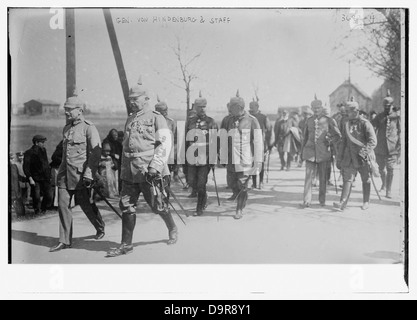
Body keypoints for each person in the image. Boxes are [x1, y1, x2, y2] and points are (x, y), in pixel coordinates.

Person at [106, 78, 176, 258]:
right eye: (131, 99)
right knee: (126, 205)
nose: (132, 102)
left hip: (148, 171)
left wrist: (155, 167)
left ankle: (172, 227)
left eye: (136, 99)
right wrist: (122, 172)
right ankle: (125, 244)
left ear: (146, 99)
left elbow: (165, 144)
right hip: (130, 171)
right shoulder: (130, 119)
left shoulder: (156, 117)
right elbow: (126, 147)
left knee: (157, 205)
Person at [49, 95, 106, 253]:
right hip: (64, 175)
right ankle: (65, 240)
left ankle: (100, 227)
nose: (66, 113)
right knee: (63, 206)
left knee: (86, 205)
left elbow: (95, 154)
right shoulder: (66, 128)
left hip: (81, 176)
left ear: (80, 110)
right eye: (65, 110)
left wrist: (89, 174)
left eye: (69, 110)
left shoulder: (89, 128)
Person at [222, 91, 263, 219]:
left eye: (231, 107)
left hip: (244, 159)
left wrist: (258, 160)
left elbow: (258, 141)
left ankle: (239, 208)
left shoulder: (252, 121)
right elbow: (222, 137)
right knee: (231, 183)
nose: (229, 109)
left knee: (243, 185)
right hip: (230, 159)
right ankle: (236, 194)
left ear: (239, 108)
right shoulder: (227, 120)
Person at [334, 99, 378, 211]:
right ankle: (342, 202)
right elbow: (343, 142)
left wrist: (363, 153)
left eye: (349, 111)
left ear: (356, 111)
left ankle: (366, 201)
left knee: (365, 179)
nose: (347, 113)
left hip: (362, 157)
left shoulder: (365, 123)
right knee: (347, 179)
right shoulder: (346, 124)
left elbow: (372, 141)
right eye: (346, 111)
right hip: (349, 157)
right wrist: (339, 158)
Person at [300, 96, 341, 208]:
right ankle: (306, 201)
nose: (316, 110)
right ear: (311, 108)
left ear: (321, 108)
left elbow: (338, 136)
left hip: (323, 153)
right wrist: (301, 153)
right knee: (308, 177)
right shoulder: (308, 121)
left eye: (318, 108)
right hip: (310, 152)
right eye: (314, 108)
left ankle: (322, 200)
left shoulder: (329, 120)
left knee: (323, 178)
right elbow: (305, 137)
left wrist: (330, 141)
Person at [186, 91, 218, 216]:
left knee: (201, 183)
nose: (202, 109)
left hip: (205, 157)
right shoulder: (190, 121)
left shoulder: (211, 122)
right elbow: (185, 140)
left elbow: (215, 141)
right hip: (191, 157)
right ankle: (204, 196)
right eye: (199, 107)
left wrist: (213, 159)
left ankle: (199, 208)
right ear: (195, 108)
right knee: (192, 182)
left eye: (204, 107)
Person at [372, 93, 401, 199]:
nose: (387, 108)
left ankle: (388, 190)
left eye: (389, 106)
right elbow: (372, 128)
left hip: (392, 147)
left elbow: (401, 131)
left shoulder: (397, 117)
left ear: (392, 105)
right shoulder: (379, 117)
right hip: (380, 147)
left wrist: (399, 145)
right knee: (381, 168)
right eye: (385, 106)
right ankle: (384, 183)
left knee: (391, 169)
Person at [23, 135, 54, 214]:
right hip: (35, 179)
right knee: (36, 197)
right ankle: (38, 211)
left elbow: (45, 164)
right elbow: (26, 167)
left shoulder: (43, 150)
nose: (44, 144)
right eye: (42, 142)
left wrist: (49, 175)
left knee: (49, 196)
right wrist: (30, 178)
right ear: (36, 143)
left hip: (45, 178)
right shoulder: (28, 153)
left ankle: (43, 209)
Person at [249, 98, 274, 189]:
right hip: (250, 144)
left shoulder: (263, 117)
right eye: (250, 107)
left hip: (261, 143)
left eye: (252, 107)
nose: (251, 108)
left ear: (257, 107)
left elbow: (270, 130)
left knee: (260, 163)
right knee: (252, 163)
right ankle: (254, 183)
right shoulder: (247, 117)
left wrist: (269, 144)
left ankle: (261, 182)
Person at [155, 96, 179, 183]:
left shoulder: (171, 122)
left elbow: (174, 140)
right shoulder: (152, 121)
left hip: (168, 154)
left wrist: (173, 157)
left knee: (166, 178)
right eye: (162, 110)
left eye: (166, 110)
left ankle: (166, 196)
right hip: (155, 154)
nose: (165, 112)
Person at [50, 140, 64, 208]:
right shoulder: (60, 149)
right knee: (57, 186)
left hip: (61, 168)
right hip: (57, 168)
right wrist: (63, 161)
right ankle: (56, 204)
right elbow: (54, 157)